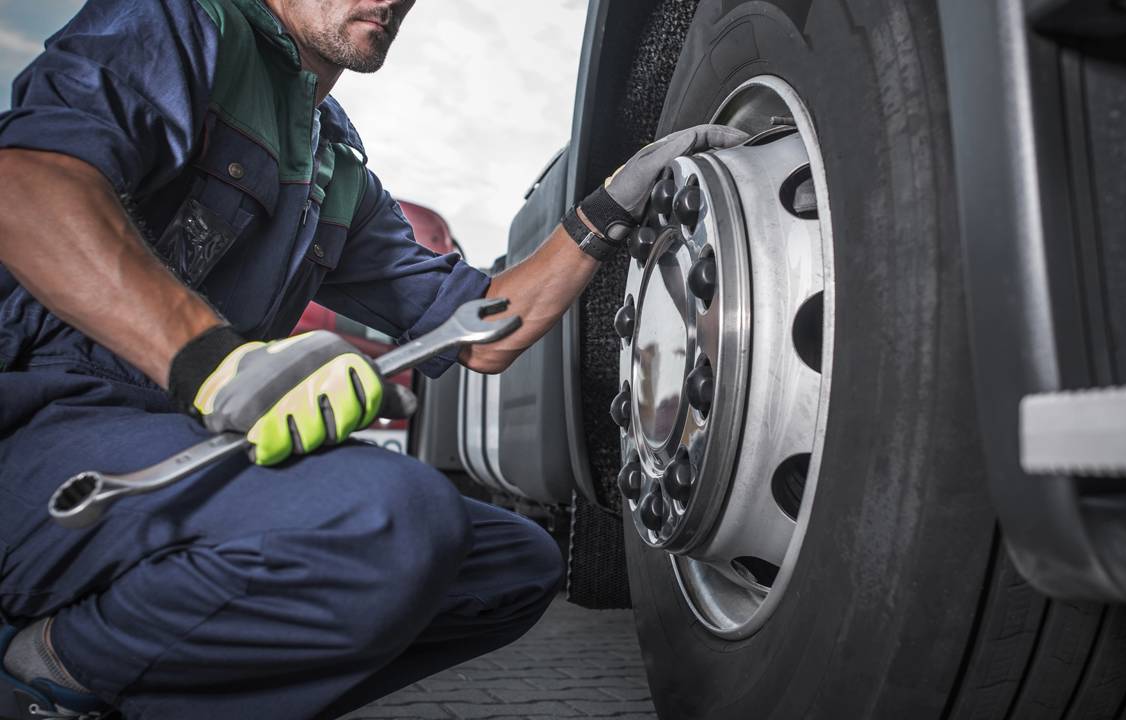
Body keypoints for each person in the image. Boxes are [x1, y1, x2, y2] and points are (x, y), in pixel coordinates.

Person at [0, 0, 747, 718]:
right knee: (384, 521)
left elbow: (482, 332)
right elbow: (27, 188)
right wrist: (218, 365)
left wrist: (608, 208)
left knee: (509, 568)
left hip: (178, 448)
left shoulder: (336, 166)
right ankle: (52, 669)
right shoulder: (185, 22)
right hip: (45, 435)